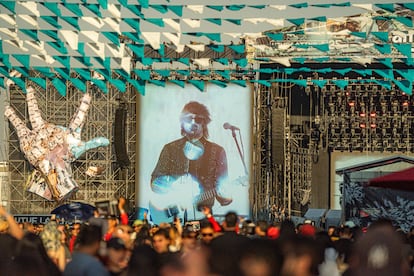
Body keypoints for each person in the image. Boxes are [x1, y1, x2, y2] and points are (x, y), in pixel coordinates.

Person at [150, 101, 232, 222]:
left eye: (198, 119)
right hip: (174, 217)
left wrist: (226, 194)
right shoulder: (170, 148)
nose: (193, 123)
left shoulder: (217, 151)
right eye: (189, 119)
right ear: (182, 123)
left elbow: (224, 198)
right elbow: (155, 182)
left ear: (204, 123)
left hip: (204, 216)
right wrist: (172, 188)